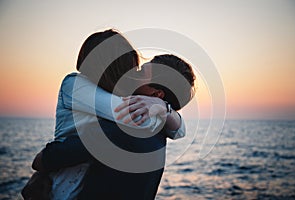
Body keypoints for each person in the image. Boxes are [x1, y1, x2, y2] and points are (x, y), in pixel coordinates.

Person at [22, 29, 190, 199]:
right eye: (132, 68)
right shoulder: (75, 84)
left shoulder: (129, 121)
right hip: (59, 187)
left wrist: (164, 110)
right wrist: (164, 110)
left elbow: (173, 129)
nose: (134, 73)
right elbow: (154, 124)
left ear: (157, 93)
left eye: (139, 71)